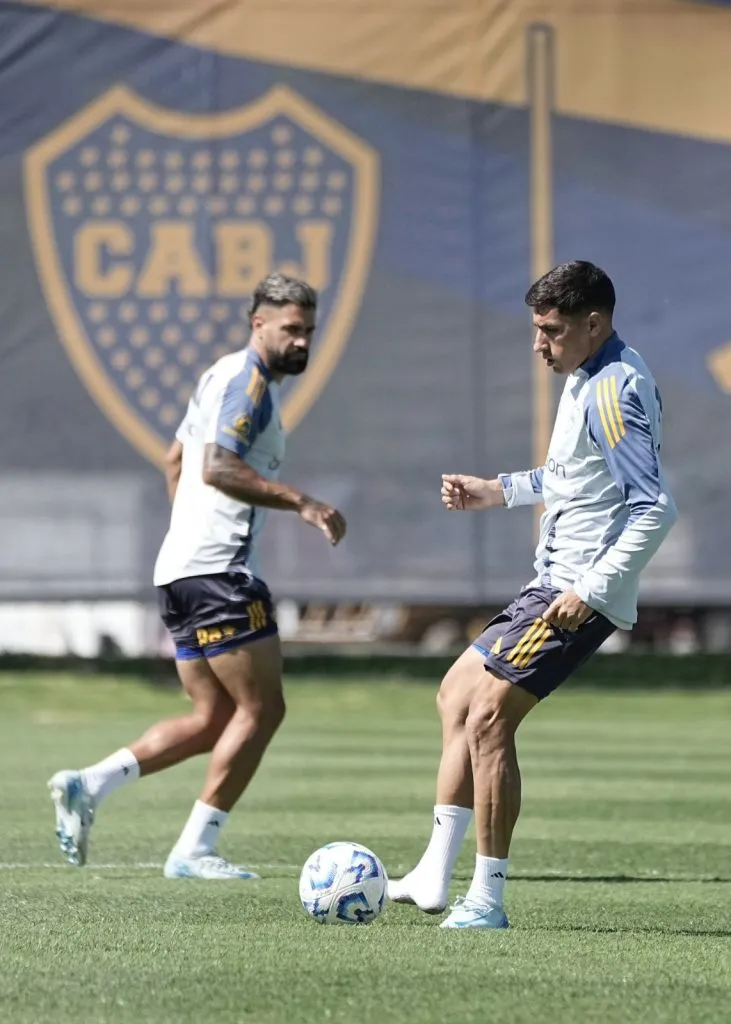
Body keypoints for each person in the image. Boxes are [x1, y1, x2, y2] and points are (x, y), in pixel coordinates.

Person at [387, 260, 678, 928]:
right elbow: (573, 476)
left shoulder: (613, 389)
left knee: (488, 718)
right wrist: (498, 490)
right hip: (550, 583)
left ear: (592, 323)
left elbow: (652, 507)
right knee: (455, 696)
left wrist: (591, 587)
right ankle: (434, 874)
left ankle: (485, 900)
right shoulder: (587, 376)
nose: (537, 343)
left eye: (549, 330)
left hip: (575, 592)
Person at [48, 272, 346, 879]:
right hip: (220, 572)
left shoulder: (218, 375)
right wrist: (304, 503)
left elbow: (174, 459)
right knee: (262, 711)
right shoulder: (250, 386)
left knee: (214, 717)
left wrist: (187, 533)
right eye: (291, 329)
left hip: (179, 570)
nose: (302, 343)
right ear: (257, 323)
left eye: (309, 331)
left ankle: (90, 784)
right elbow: (215, 466)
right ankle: (194, 850)